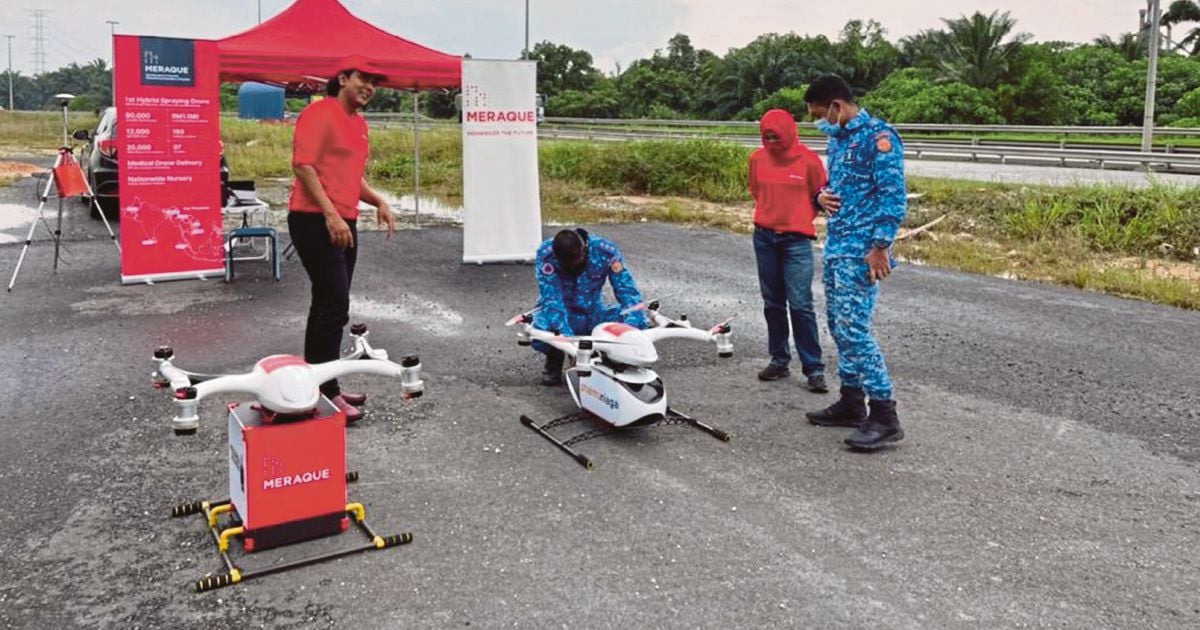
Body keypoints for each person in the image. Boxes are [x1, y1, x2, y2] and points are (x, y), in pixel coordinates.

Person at [288, 55, 397, 424]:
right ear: (343, 78)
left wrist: (378, 200)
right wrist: (332, 215)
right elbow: (303, 165)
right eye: (363, 79)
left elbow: (352, 177)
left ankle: (319, 384)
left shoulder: (360, 125)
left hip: (343, 221)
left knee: (327, 305)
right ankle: (325, 392)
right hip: (313, 219)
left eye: (374, 82)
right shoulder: (319, 114)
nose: (369, 87)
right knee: (334, 303)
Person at [802, 74, 907, 451]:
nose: (820, 122)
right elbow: (839, 187)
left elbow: (893, 196)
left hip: (862, 250)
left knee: (854, 329)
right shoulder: (839, 138)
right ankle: (851, 400)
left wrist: (881, 245)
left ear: (837, 105)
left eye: (820, 114)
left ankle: (884, 413)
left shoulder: (880, 138)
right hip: (837, 246)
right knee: (838, 324)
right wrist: (821, 197)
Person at [748, 108, 828, 394]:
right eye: (766, 136)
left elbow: (821, 195)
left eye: (776, 136)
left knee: (800, 304)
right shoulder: (757, 159)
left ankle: (814, 368)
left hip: (796, 241)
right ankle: (779, 359)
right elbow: (757, 191)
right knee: (772, 302)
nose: (771, 141)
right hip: (765, 238)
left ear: (789, 133)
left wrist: (799, 216)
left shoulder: (808, 160)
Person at [533, 228, 649, 385]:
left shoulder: (605, 252)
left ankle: (613, 360)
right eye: (567, 266)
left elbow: (627, 291)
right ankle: (555, 357)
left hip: (593, 313)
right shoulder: (546, 254)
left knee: (637, 319)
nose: (572, 269)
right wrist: (571, 347)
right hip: (563, 312)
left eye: (576, 263)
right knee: (541, 328)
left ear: (585, 249)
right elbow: (552, 300)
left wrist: (628, 334)